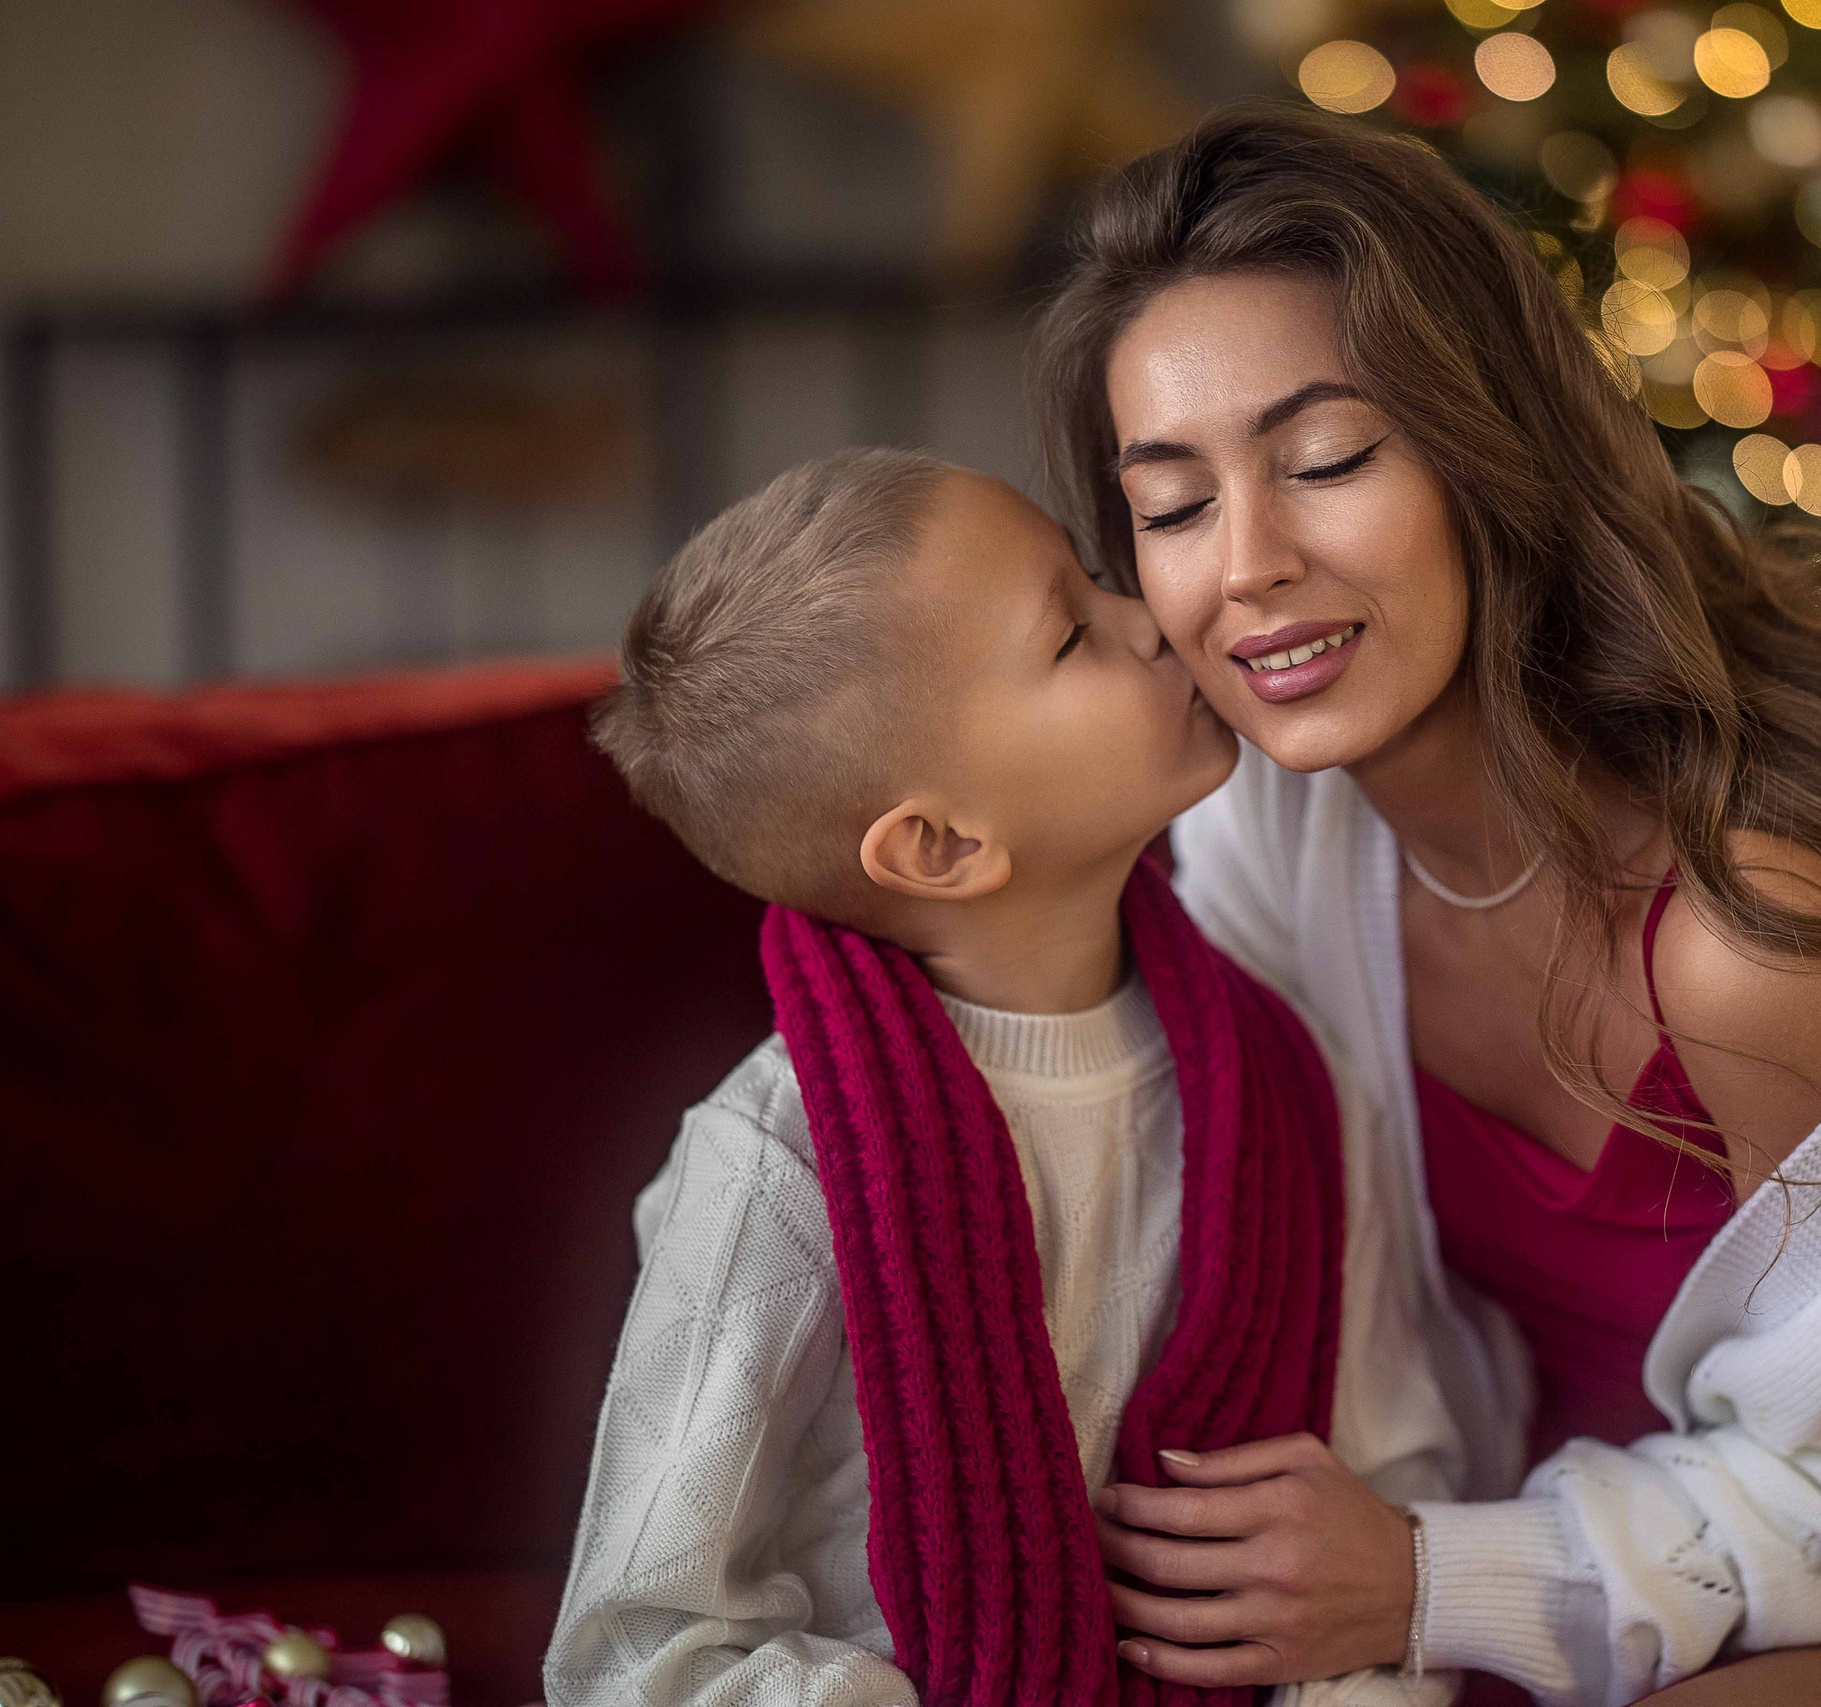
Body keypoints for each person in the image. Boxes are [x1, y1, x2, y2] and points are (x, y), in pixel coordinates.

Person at [1027, 105, 1821, 1707]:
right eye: (1175, 505)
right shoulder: (1265, 832)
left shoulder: (1748, 929)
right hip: (1559, 1584)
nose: (1246, 564)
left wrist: (1426, 1575)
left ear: (1490, 444)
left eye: (1325, 459)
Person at [546, 446, 1469, 1706]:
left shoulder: (1286, 1085)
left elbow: (1386, 1481)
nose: (1155, 616)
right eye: (1073, 634)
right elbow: (635, 1647)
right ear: (941, 844)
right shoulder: (781, 1159)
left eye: (1101, 579)